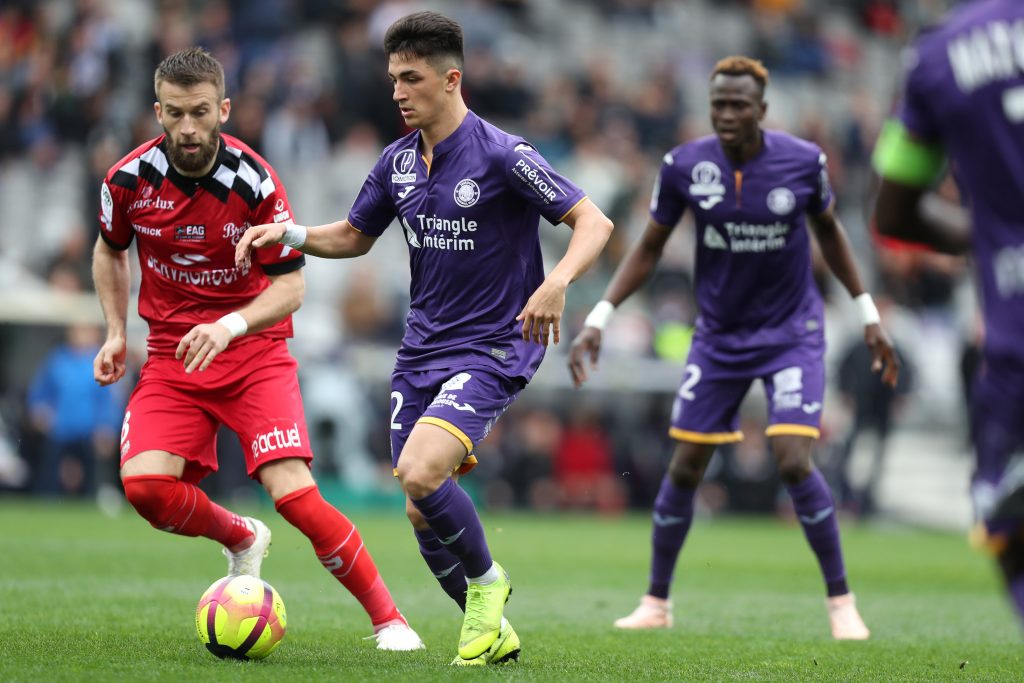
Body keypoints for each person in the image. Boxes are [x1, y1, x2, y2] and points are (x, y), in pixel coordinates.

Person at [235, 11, 613, 665]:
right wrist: (290, 233)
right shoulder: (398, 162)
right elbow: (355, 235)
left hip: (495, 343)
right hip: (421, 351)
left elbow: (594, 221)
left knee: (418, 470)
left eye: (410, 79)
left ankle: (490, 586)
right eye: (392, 79)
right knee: (420, 506)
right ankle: (494, 631)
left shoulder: (503, 154)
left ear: (451, 79)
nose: (397, 92)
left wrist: (557, 283)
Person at [91, 47, 423, 651]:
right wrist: (116, 330)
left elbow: (292, 286)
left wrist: (230, 326)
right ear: (156, 111)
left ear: (222, 108)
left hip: (252, 352)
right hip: (172, 355)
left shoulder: (253, 180)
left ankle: (390, 620)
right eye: (173, 114)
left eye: (198, 112)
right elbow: (110, 248)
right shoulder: (128, 180)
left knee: (294, 495)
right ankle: (241, 537)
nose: (187, 128)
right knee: (143, 488)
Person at [569, 55, 899, 640]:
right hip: (719, 337)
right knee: (687, 464)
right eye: (718, 103)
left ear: (761, 110)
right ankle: (656, 601)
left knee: (794, 459)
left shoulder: (803, 163)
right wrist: (601, 313)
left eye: (738, 104)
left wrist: (867, 310)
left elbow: (832, 234)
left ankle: (841, 602)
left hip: (792, 332)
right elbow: (647, 247)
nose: (726, 113)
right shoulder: (684, 166)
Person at [871, 0, 1024, 624]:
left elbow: (891, 213)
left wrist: (988, 238)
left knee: (1006, 524)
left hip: (1015, 351)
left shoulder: (936, 57)